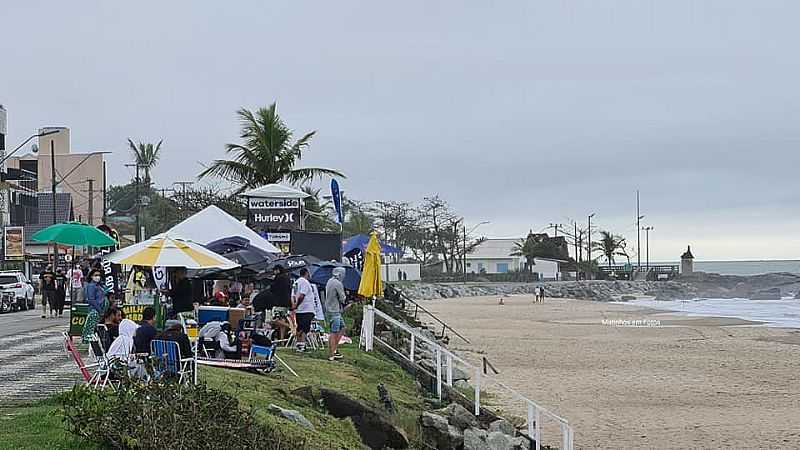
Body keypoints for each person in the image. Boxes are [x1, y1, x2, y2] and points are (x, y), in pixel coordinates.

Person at [325, 267, 348, 361]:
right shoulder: (338, 283)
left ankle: (335, 349)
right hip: (334, 310)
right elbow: (343, 298)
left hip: (329, 309)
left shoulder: (329, 281)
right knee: (334, 332)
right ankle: (331, 354)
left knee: (343, 328)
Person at [291, 268, 315, 352]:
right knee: (304, 327)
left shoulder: (296, 283)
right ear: (306, 273)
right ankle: (302, 345)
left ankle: (299, 344)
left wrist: (294, 305)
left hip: (299, 310)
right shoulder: (304, 282)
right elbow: (302, 295)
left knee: (299, 327)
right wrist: (297, 305)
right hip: (306, 308)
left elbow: (293, 296)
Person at [82, 270, 108, 343]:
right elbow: (91, 300)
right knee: (91, 331)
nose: (98, 277)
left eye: (99, 275)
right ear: (91, 276)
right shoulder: (91, 286)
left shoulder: (100, 285)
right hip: (94, 311)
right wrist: (100, 310)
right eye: (95, 275)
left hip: (99, 311)